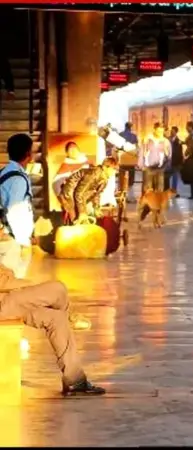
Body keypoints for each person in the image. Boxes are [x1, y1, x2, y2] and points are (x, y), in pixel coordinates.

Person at [0, 134, 104, 397]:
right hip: (4, 301)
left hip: (6, 296)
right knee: (56, 290)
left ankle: (75, 379)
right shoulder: (15, 178)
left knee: (55, 317)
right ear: (28, 154)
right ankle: (69, 315)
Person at [58, 158, 119, 225]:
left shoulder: (104, 179)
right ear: (105, 167)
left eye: (116, 169)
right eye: (113, 169)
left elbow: (97, 194)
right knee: (76, 219)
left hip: (81, 195)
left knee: (86, 215)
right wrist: (82, 212)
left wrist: (96, 208)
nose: (115, 172)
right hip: (70, 192)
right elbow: (79, 193)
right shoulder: (93, 174)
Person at [138, 122, 170, 195]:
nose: (160, 133)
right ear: (154, 130)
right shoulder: (147, 140)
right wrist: (141, 164)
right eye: (158, 131)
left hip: (160, 168)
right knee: (147, 189)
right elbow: (141, 152)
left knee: (159, 189)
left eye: (162, 131)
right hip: (148, 168)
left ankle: (157, 202)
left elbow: (169, 156)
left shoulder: (166, 141)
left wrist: (166, 167)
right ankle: (147, 202)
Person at [118, 122, 139, 201]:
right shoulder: (134, 136)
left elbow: (117, 147)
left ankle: (121, 195)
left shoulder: (120, 134)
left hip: (122, 159)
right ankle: (130, 196)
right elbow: (136, 148)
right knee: (131, 178)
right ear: (131, 127)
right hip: (131, 160)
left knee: (121, 178)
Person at [183, 121, 193, 200]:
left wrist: (186, 153)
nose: (186, 128)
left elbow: (191, 146)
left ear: (190, 127)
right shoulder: (192, 134)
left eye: (187, 127)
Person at [167, 126, 184, 197]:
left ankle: (174, 191)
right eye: (171, 131)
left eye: (173, 131)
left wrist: (180, 162)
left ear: (176, 132)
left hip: (175, 162)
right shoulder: (167, 139)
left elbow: (180, 152)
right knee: (167, 177)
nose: (171, 132)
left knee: (175, 177)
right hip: (168, 161)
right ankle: (166, 191)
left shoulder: (179, 141)